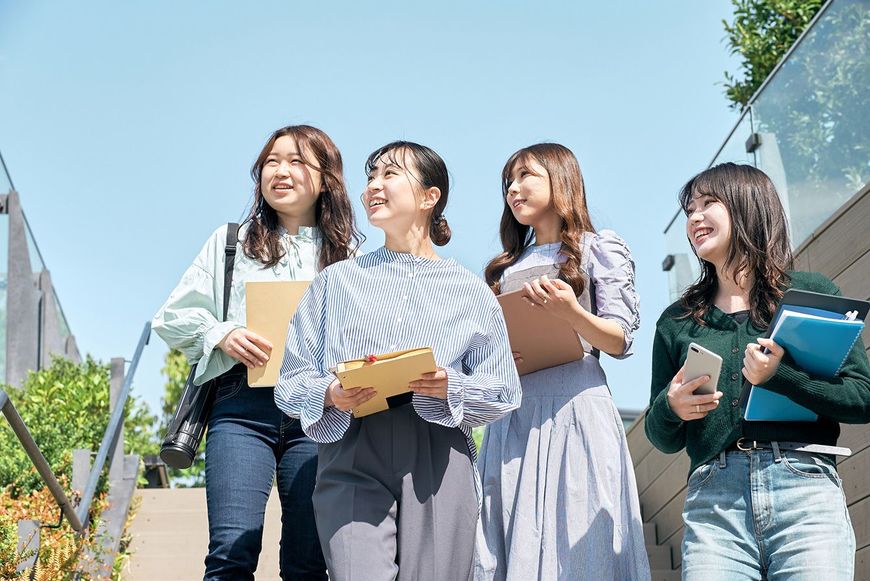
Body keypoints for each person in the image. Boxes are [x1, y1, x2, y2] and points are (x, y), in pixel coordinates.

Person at [275, 141, 522, 581]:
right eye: (371, 177)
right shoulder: (335, 282)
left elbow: (504, 391)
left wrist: (452, 385)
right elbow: (290, 382)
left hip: (437, 450)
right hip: (350, 446)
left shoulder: (470, 291)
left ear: (430, 197)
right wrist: (331, 392)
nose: (374, 186)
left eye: (390, 174)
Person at [152, 125, 361, 580]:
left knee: (309, 560)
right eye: (272, 161)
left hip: (320, 415)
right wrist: (223, 334)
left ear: (326, 179)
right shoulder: (230, 242)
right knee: (231, 550)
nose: (281, 171)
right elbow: (170, 318)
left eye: (297, 161)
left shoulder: (352, 256)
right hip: (241, 408)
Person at [645, 162, 870, 580]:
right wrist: (671, 407)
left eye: (708, 203)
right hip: (714, 504)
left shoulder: (811, 293)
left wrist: (781, 376)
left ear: (748, 207)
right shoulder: (676, 321)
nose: (693, 217)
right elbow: (660, 438)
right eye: (689, 209)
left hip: (805, 490)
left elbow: (862, 397)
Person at [475, 142, 650, 580]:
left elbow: (620, 339)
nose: (513, 189)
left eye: (525, 176)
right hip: (514, 415)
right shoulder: (504, 267)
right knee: (510, 538)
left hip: (577, 408)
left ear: (561, 178)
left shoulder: (598, 248)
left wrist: (570, 314)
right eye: (508, 182)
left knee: (580, 541)